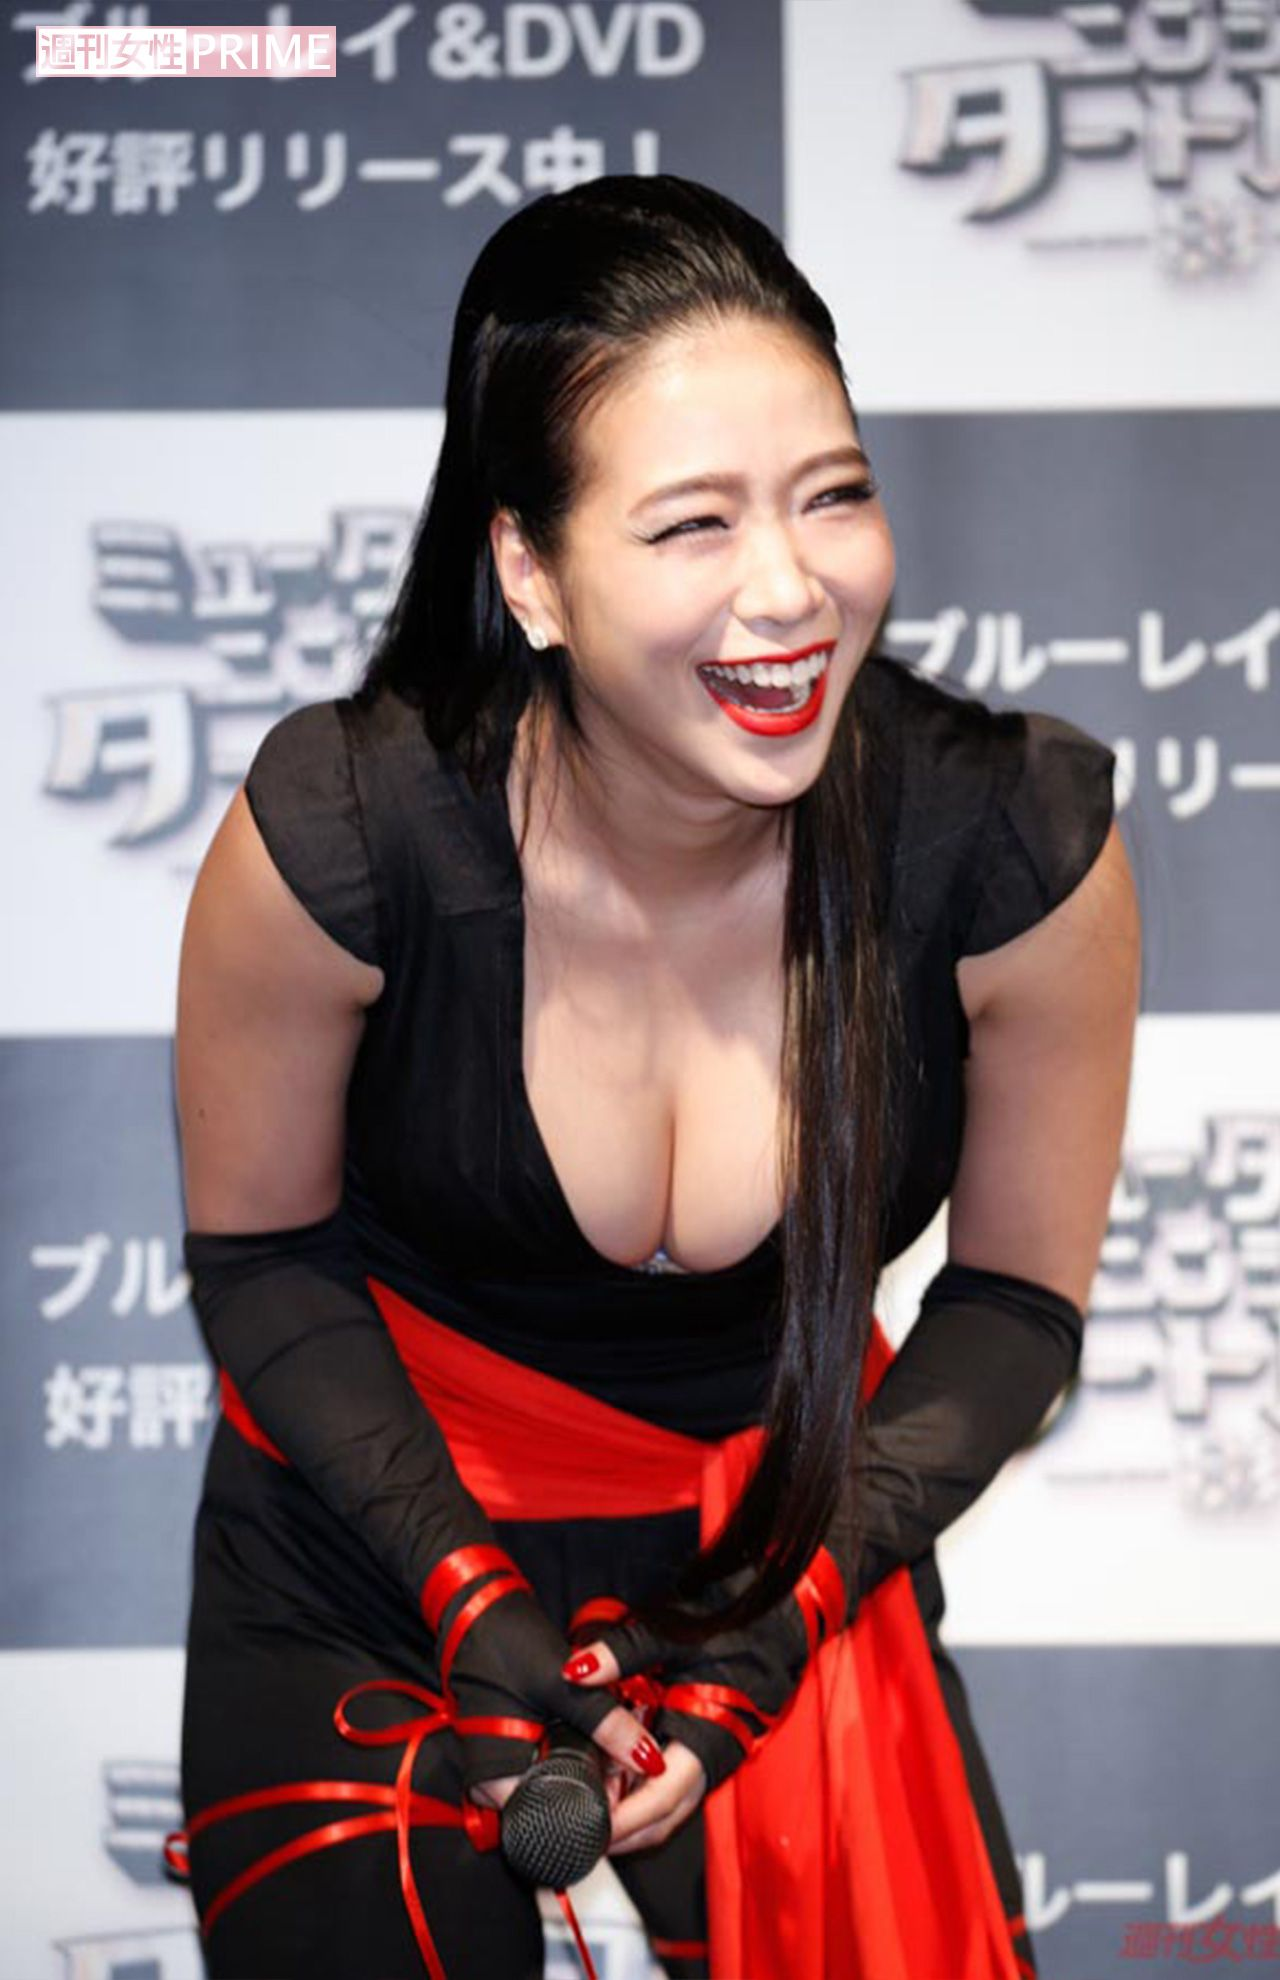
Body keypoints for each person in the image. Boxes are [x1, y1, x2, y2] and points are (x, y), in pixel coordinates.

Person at [170, 174, 1140, 1980]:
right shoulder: (347, 834)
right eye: (694, 523)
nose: (791, 588)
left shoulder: (1010, 841)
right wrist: (465, 1594)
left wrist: (774, 1619)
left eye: (833, 495)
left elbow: (1014, 1306)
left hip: (778, 1548)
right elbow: (264, 1264)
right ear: (529, 572)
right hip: (377, 1544)